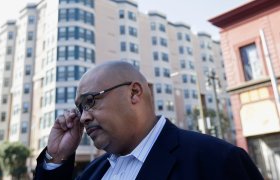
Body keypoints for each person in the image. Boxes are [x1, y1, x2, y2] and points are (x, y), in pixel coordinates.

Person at [34, 61, 263, 180]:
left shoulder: (217, 161)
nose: (83, 117)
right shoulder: (94, 172)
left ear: (134, 93)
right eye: (80, 107)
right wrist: (57, 157)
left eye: (91, 101)